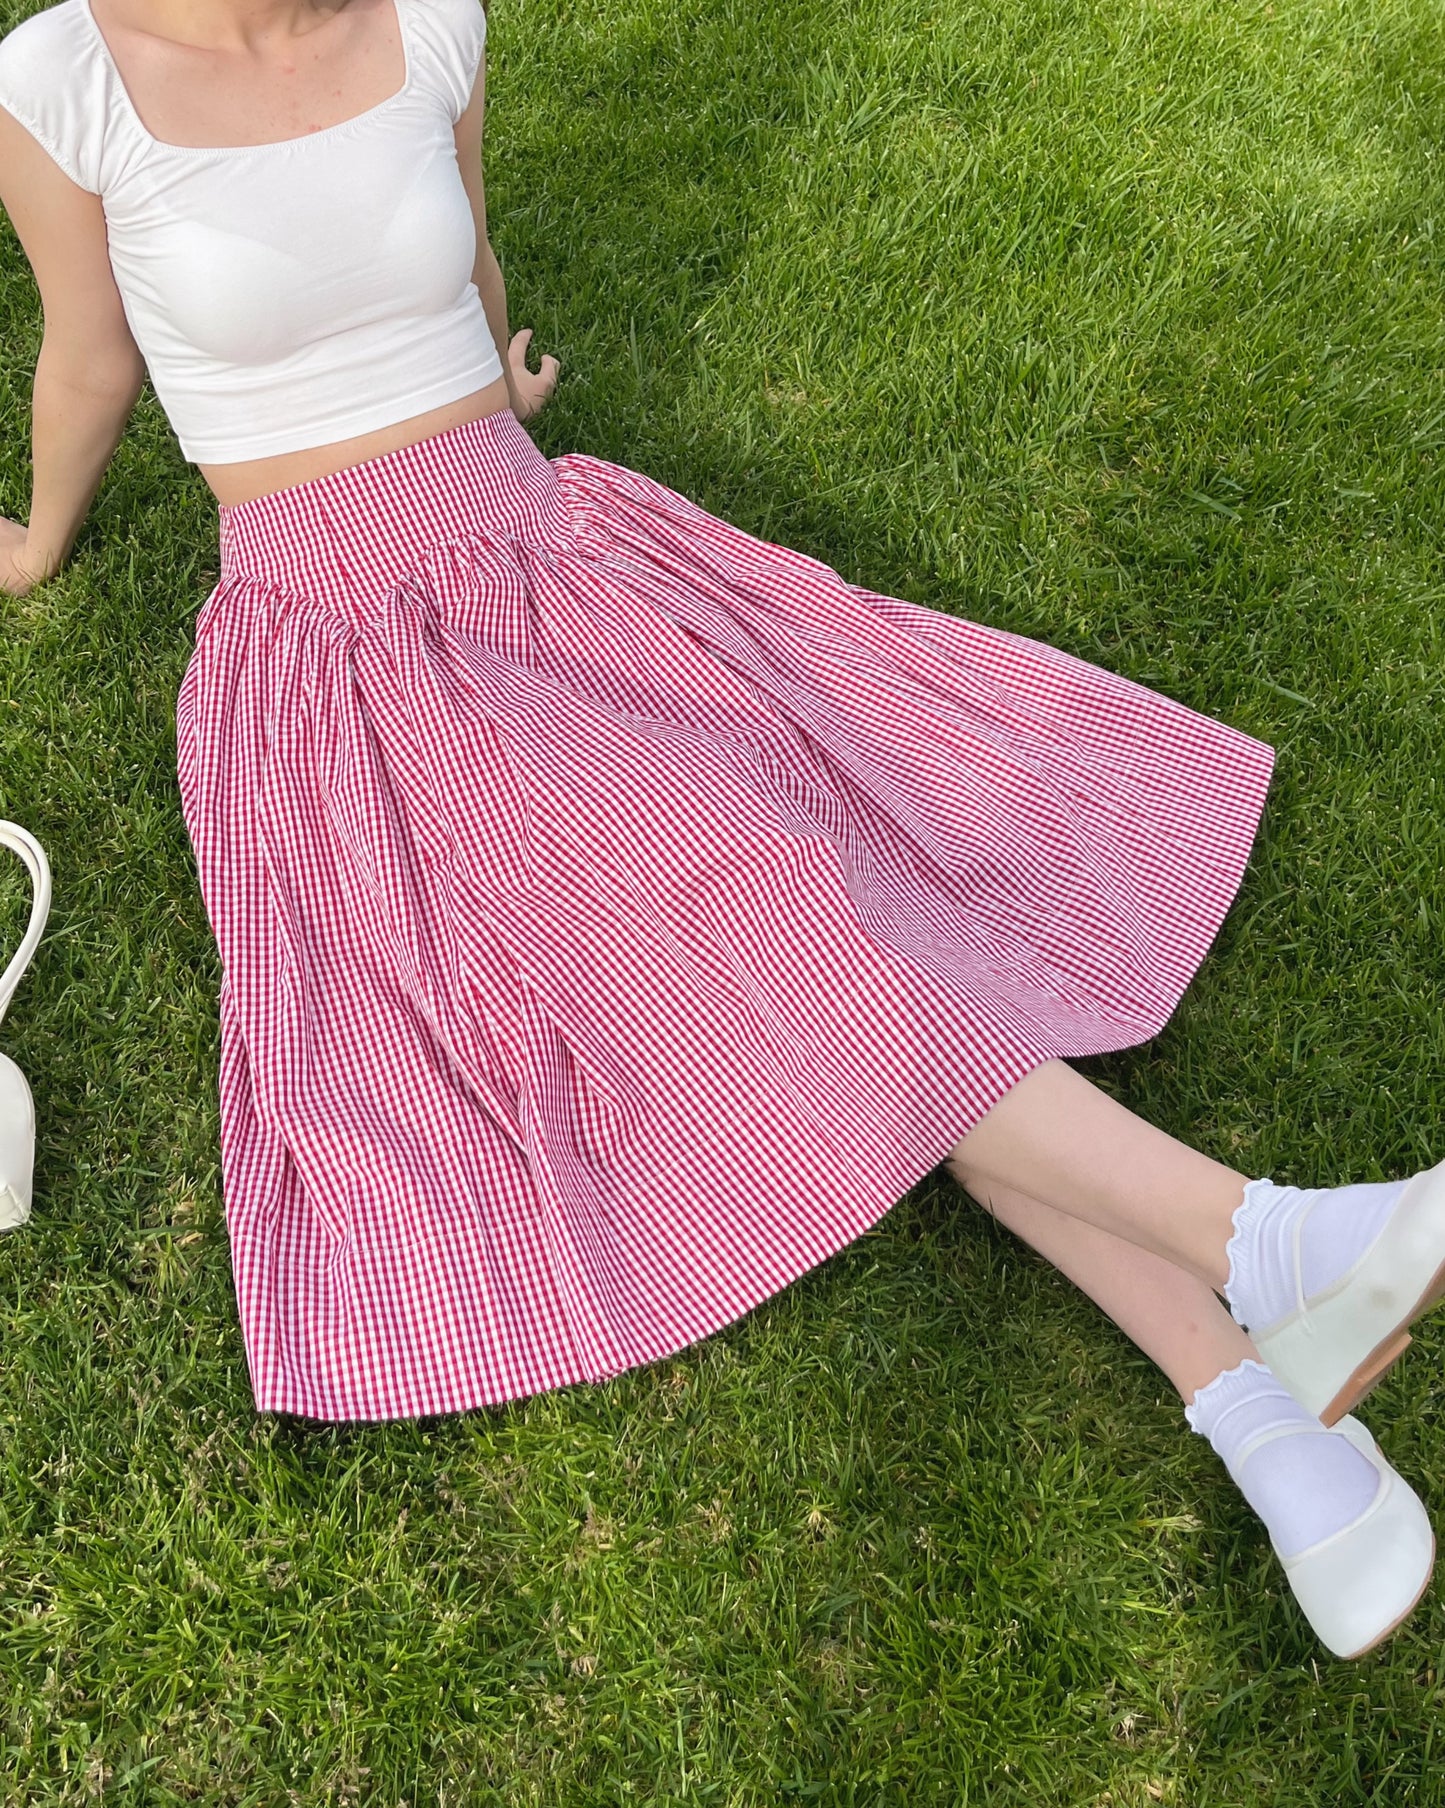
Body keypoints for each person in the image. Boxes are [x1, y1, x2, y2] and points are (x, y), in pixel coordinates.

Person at [0, 0, 1440, 1662]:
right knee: (763, 935)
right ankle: (1257, 1248)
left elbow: (461, 253)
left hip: (548, 562)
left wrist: (500, 369)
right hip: (344, 659)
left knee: (830, 921)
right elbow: (90, 347)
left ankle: (1261, 1398)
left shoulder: (434, 17)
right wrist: (40, 541)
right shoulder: (63, 76)